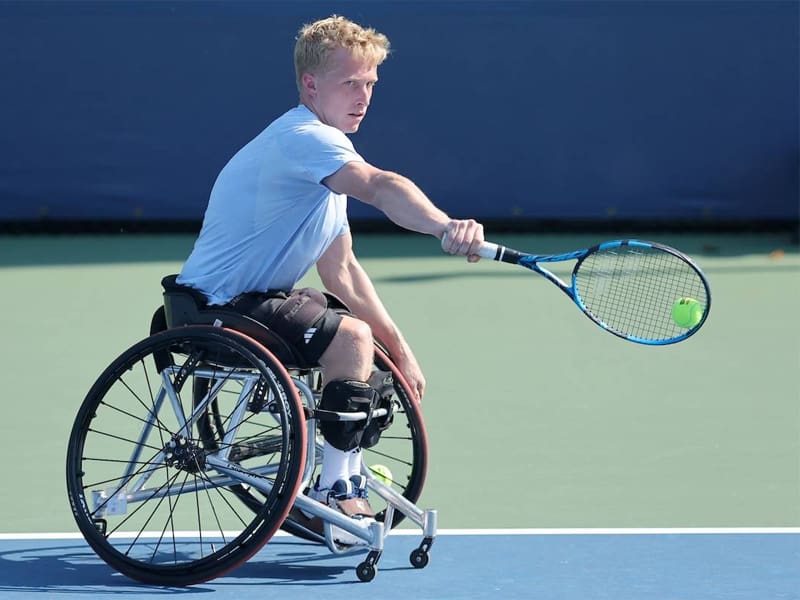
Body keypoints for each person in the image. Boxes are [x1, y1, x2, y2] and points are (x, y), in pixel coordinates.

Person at [177, 15, 484, 539]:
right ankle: (335, 488)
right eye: (350, 83)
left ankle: (341, 466)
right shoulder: (304, 138)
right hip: (217, 306)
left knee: (372, 350)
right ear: (310, 84)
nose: (363, 96)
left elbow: (342, 271)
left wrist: (401, 350)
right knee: (351, 337)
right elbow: (381, 184)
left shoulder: (324, 165)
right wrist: (444, 226)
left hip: (249, 303)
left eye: (370, 84)